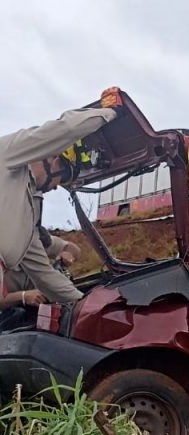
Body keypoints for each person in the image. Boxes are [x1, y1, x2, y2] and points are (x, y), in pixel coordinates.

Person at [0, 87, 122, 302]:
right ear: (52, 157)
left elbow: (45, 277)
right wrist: (109, 111)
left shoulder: (25, 219)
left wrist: (85, 305)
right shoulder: (7, 155)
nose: (58, 186)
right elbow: (63, 130)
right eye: (64, 176)